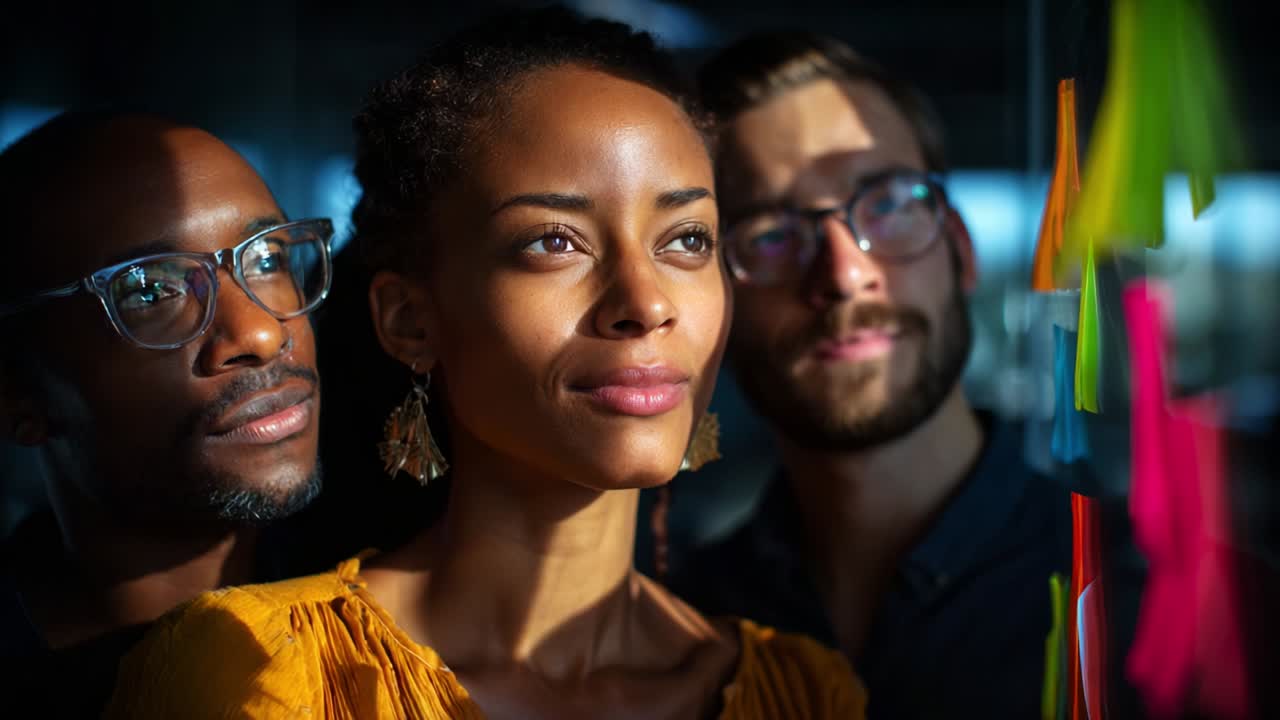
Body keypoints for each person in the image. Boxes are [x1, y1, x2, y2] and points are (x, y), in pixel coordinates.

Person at [106, 9, 866, 719]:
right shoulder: (257, 672)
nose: (646, 302)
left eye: (686, 240)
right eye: (553, 242)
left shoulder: (806, 694)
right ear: (410, 321)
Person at [669, 33, 1071, 718]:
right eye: (769, 233)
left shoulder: (1147, 599)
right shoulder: (680, 630)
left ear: (962, 251)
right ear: (713, 306)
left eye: (886, 204)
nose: (846, 274)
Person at [0, 112, 331, 714]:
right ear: (16, 391)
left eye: (267, 258)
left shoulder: (394, 609)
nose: (259, 331)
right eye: (151, 291)